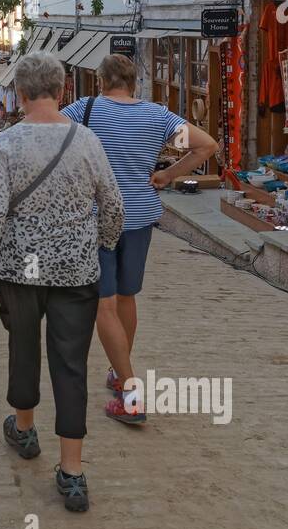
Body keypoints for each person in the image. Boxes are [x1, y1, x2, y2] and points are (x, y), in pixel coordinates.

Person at [0, 53, 125, 513]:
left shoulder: (8, 143)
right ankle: (73, 473)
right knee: (70, 362)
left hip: (20, 269)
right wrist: (101, 246)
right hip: (76, 271)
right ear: (61, 90)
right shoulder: (87, 140)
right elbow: (112, 205)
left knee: (24, 348)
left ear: (19, 94)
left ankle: (24, 427)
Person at [62, 54, 218, 423]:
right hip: (139, 217)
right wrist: (167, 176)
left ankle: (130, 392)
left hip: (97, 219)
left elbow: (42, 134)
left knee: (103, 303)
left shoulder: (84, 110)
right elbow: (207, 145)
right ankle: (120, 372)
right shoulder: (157, 117)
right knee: (127, 296)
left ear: (102, 81)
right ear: (134, 83)